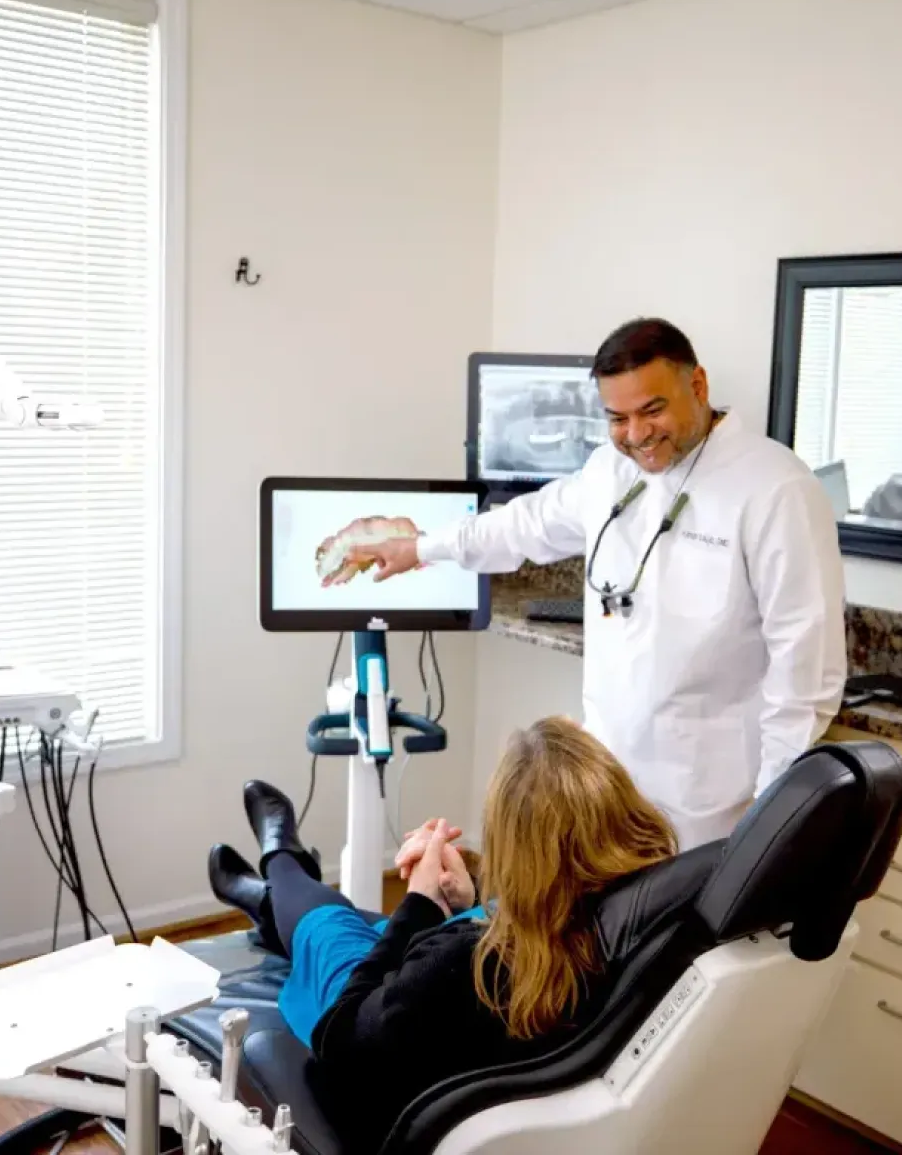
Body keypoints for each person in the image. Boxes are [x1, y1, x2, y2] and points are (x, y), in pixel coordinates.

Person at [347, 317, 847, 849]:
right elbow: (523, 526)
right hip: (611, 788)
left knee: (692, 932)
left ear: (697, 386)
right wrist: (421, 548)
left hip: (712, 805)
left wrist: (768, 811)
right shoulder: (611, 470)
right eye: (618, 417)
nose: (636, 434)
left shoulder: (777, 489)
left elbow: (805, 673)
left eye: (652, 410)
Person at [217, 716, 678, 1153]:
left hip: (375, 1026)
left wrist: (419, 903)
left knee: (331, 930)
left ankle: (281, 858)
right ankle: (265, 898)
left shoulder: (458, 965)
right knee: (365, 921)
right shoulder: (643, 912)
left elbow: (342, 1047)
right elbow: (542, 915)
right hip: (453, 1001)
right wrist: (470, 898)